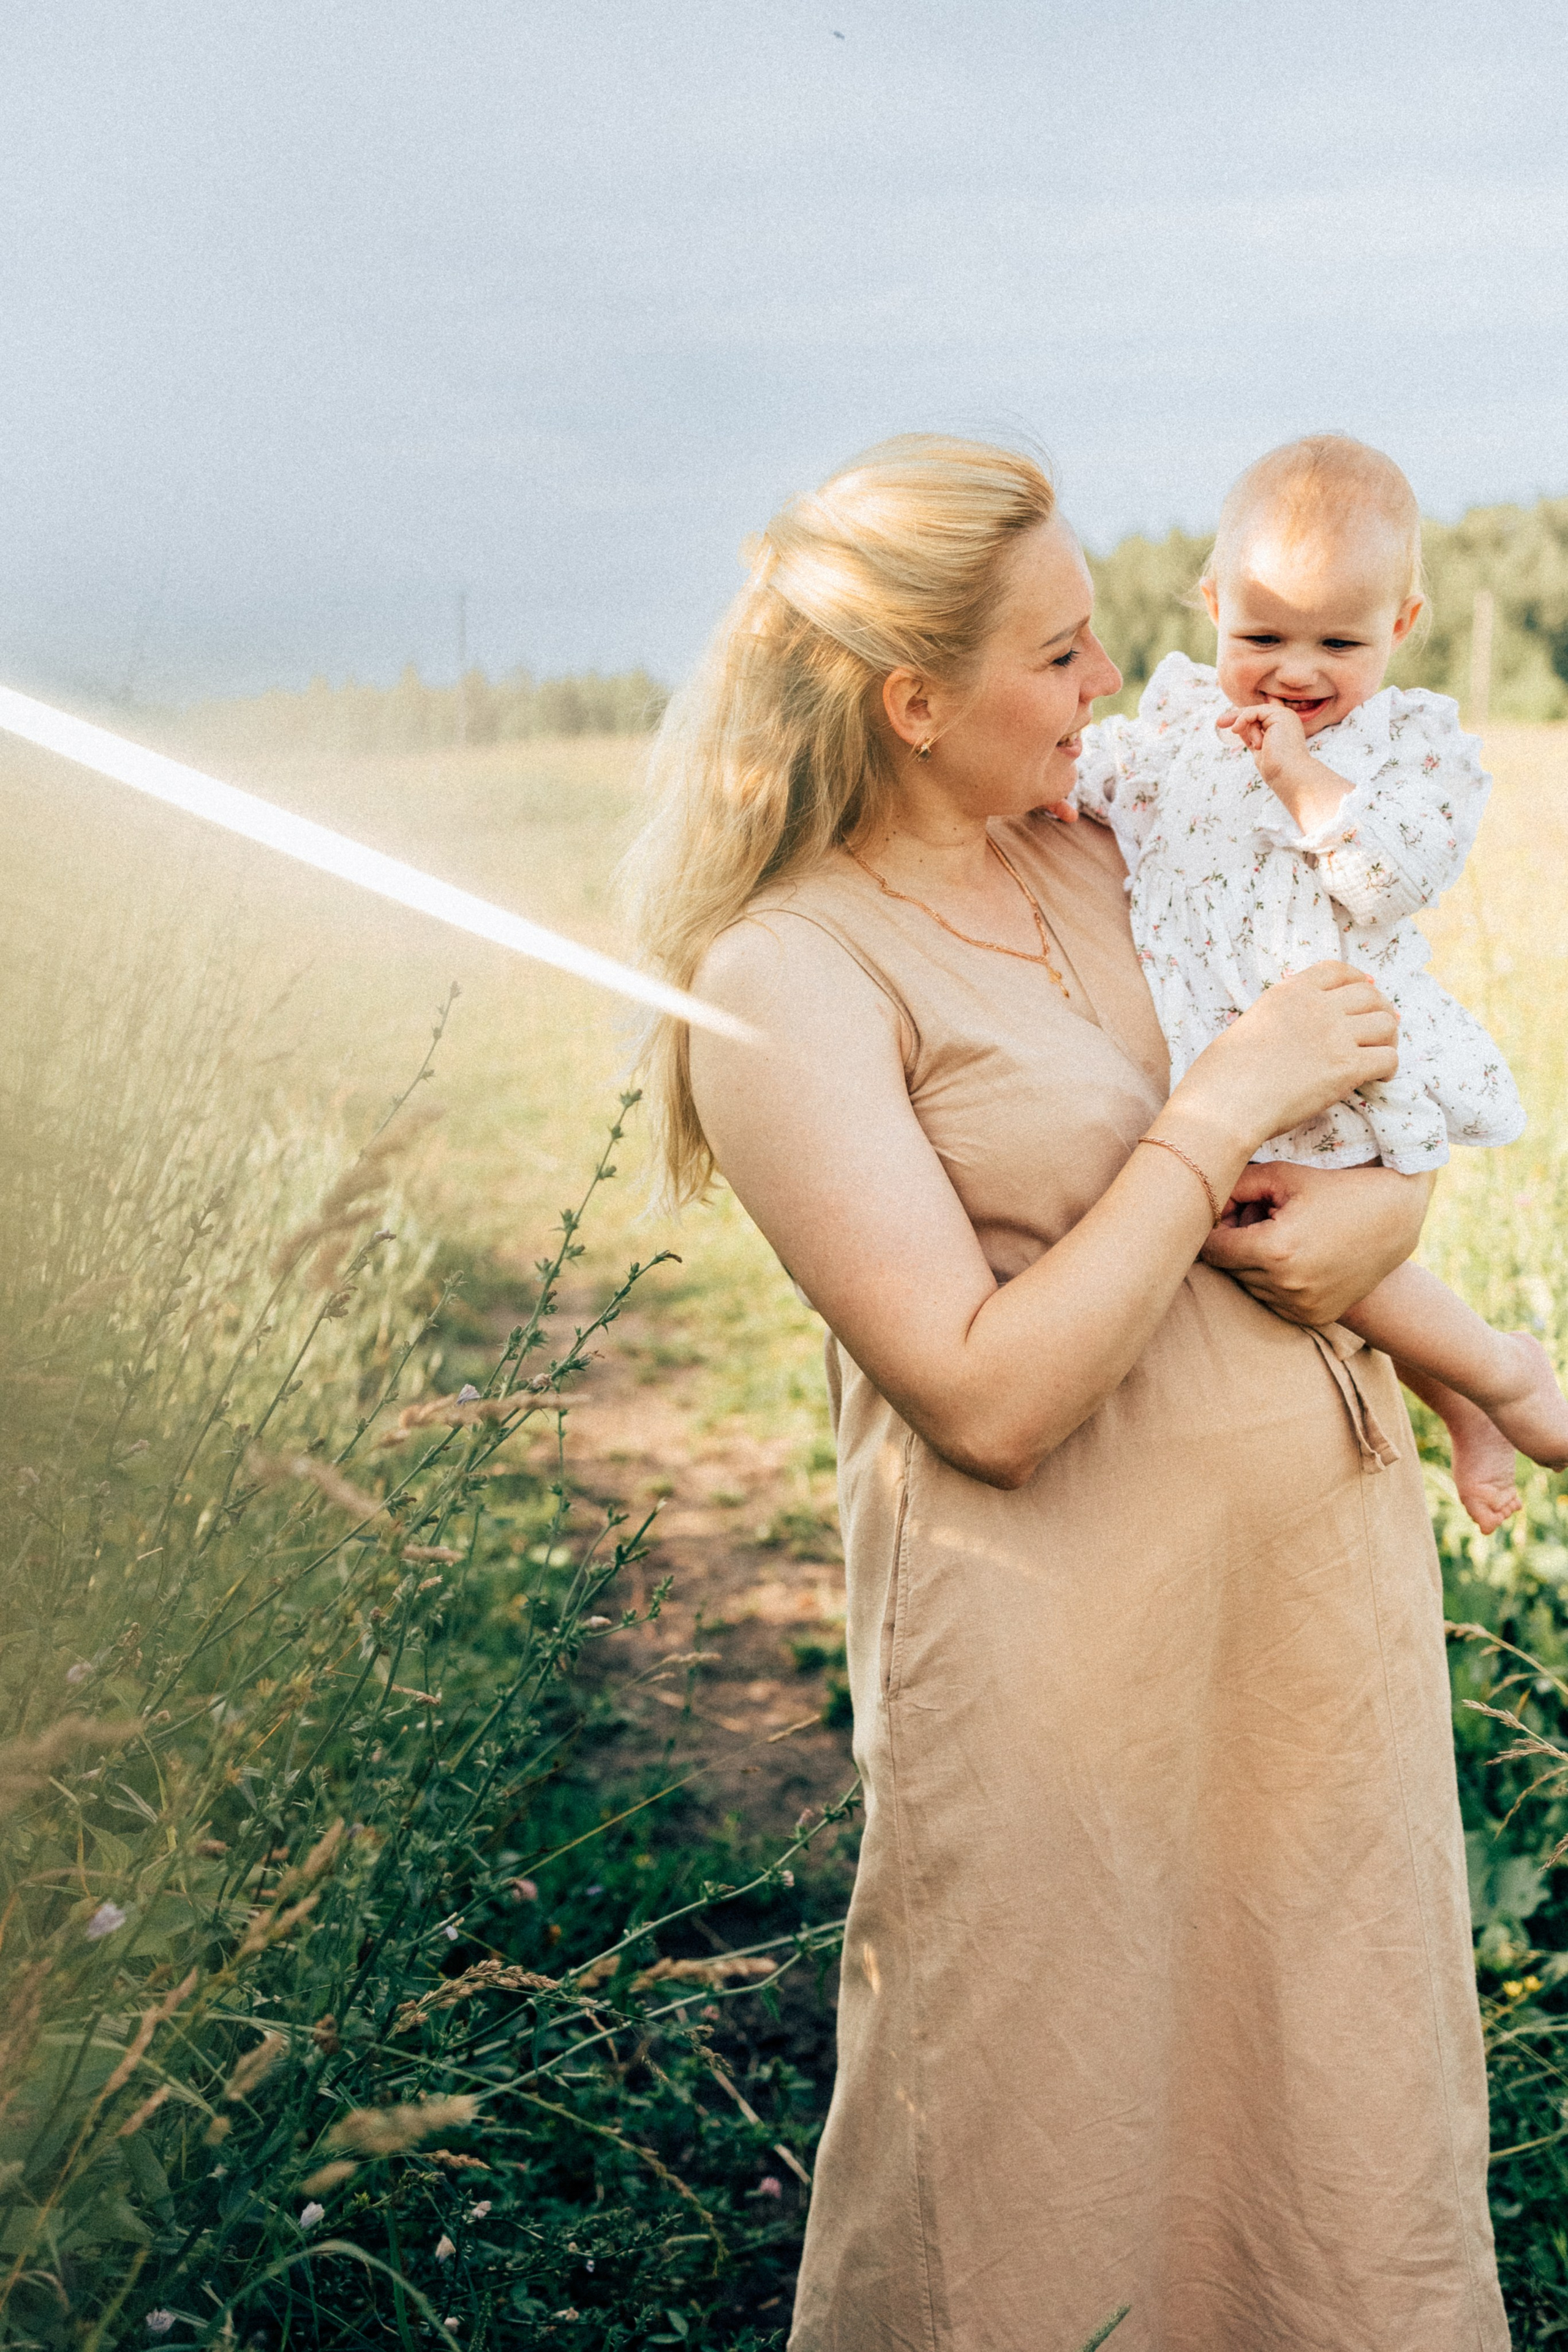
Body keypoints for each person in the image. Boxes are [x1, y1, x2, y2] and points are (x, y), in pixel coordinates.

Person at [627, 435, 1510, 2350]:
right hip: (1062, 1679)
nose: (1111, 686)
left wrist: (1394, 1215)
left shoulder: (1123, 841)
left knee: (1339, 2145)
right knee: (1051, 2162)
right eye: (1057, 657)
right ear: (911, 700)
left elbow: (1346, 1056)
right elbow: (983, 1394)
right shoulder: (785, 977)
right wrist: (1210, 1119)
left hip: (1306, 1639)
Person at [1063, 431, 1567, 1532]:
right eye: (1261, 635)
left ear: (1402, 627)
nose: (1295, 672)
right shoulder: (1184, 724)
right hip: (1224, 1055)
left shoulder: (1405, 750)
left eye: (1338, 640)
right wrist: (1061, 781)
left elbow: (1393, 878)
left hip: (1338, 1051)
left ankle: (1501, 1372)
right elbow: (1101, 774)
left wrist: (1305, 779)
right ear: (1209, 603)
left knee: (1321, 1248)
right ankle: (1467, 1397)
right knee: (1296, 1259)